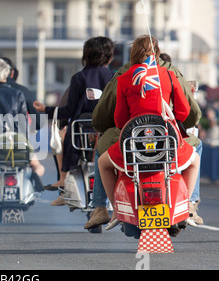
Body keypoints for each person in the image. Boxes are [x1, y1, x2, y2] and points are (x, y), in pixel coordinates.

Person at [84, 50, 203, 230]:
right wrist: (183, 124)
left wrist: (103, 126)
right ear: (156, 52)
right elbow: (189, 112)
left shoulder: (124, 74)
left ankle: (101, 206)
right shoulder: (171, 73)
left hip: (131, 137)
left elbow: (111, 116)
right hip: (167, 136)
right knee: (197, 148)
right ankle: (190, 204)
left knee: (101, 151)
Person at [33, 36, 115, 205]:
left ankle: (63, 181)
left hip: (79, 133)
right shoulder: (114, 77)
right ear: (109, 56)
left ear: (86, 55)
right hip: (107, 132)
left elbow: (68, 110)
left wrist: (45, 110)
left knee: (59, 138)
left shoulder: (78, 78)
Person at [0, 58, 45, 177]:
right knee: (39, 167)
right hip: (18, 144)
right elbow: (23, 124)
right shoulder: (18, 94)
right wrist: (25, 145)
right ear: (8, 73)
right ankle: (34, 178)